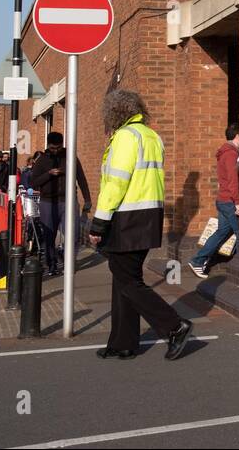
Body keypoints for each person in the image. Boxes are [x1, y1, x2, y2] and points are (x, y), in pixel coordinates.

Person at [89, 90, 192, 361]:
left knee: (128, 281)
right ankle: (124, 342)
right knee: (124, 279)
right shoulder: (151, 136)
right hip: (149, 216)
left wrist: (99, 222)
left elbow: (116, 182)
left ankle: (175, 326)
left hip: (127, 217)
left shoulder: (125, 137)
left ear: (114, 112)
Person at [32, 132, 93, 278]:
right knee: (49, 235)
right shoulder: (41, 160)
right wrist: (49, 174)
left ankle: (69, 263)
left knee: (73, 234)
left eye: (58, 148)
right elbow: (34, 182)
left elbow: (82, 179)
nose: (55, 151)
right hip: (48, 202)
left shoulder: (70, 157)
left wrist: (87, 199)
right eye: (52, 148)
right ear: (48, 146)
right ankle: (51, 264)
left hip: (69, 200)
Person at [188, 124, 239, 278]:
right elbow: (232, 180)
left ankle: (198, 261)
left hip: (223, 200)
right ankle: (237, 269)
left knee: (222, 232)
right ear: (238, 136)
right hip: (229, 201)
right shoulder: (230, 154)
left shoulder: (224, 152)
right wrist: (237, 202)